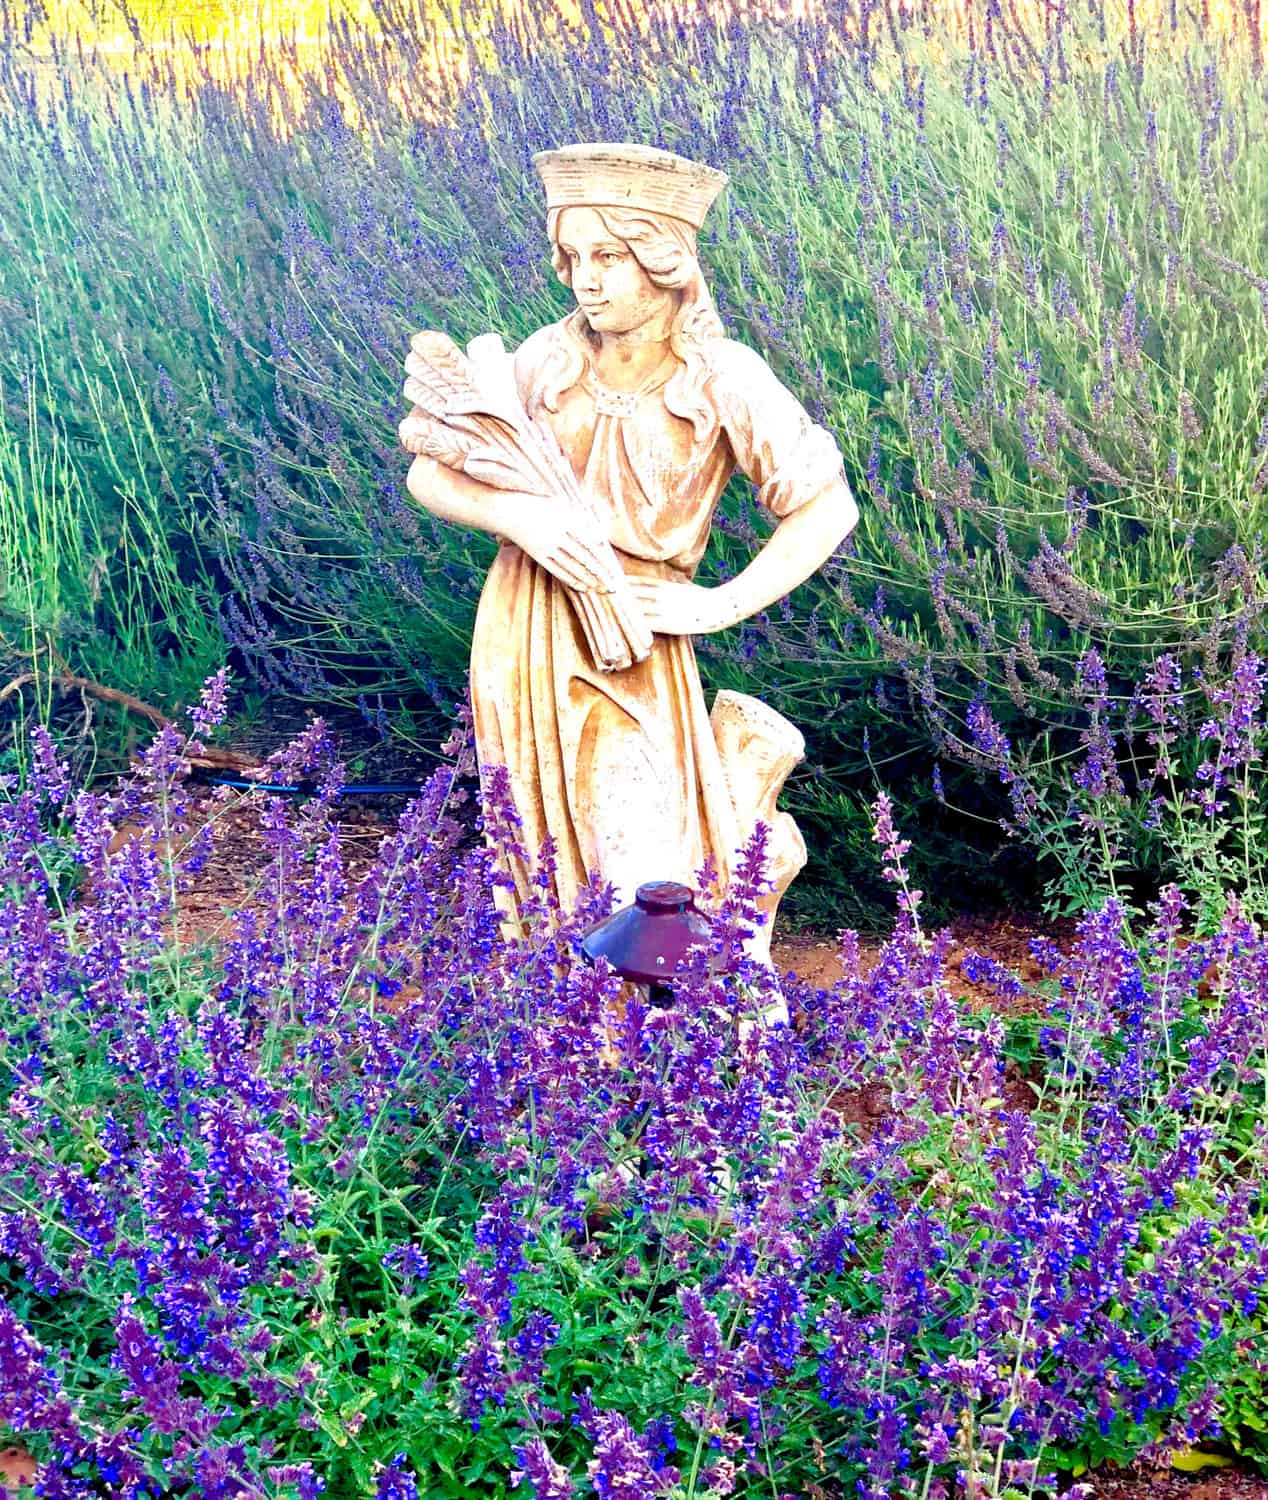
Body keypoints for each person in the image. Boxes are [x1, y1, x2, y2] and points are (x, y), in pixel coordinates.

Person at [403, 142, 858, 932]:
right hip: (524, 626)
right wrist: (521, 519)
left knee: (644, 855)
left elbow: (826, 507)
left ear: (667, 258)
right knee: (540, 858)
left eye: (609, 255)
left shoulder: (723, 376)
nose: (586, 277)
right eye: (573, 255)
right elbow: (428, 471)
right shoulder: (547, 359)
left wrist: (718, 604)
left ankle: (668, 1028)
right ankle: (577, 1036)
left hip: (634, 642)